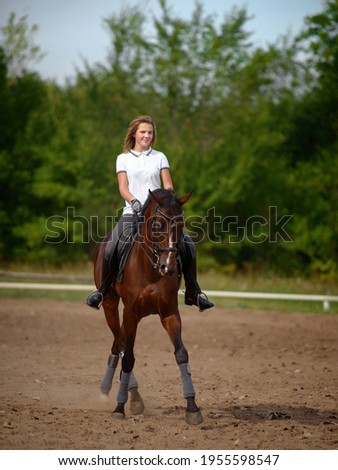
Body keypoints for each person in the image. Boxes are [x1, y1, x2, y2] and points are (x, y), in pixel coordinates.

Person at [86, 115, 213, 312]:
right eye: (143, 132)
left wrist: (167, 199)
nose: (147, 135)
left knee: (188, 245)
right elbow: (123, 187)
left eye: (150, 132)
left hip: (159, 213)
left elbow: (168, 184)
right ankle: (102, 290)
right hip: (132, 211)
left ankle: (193, 292)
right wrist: (134, 201)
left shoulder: (160, 156)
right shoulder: (123, 158)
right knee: (111, 246)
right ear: (134, 134)